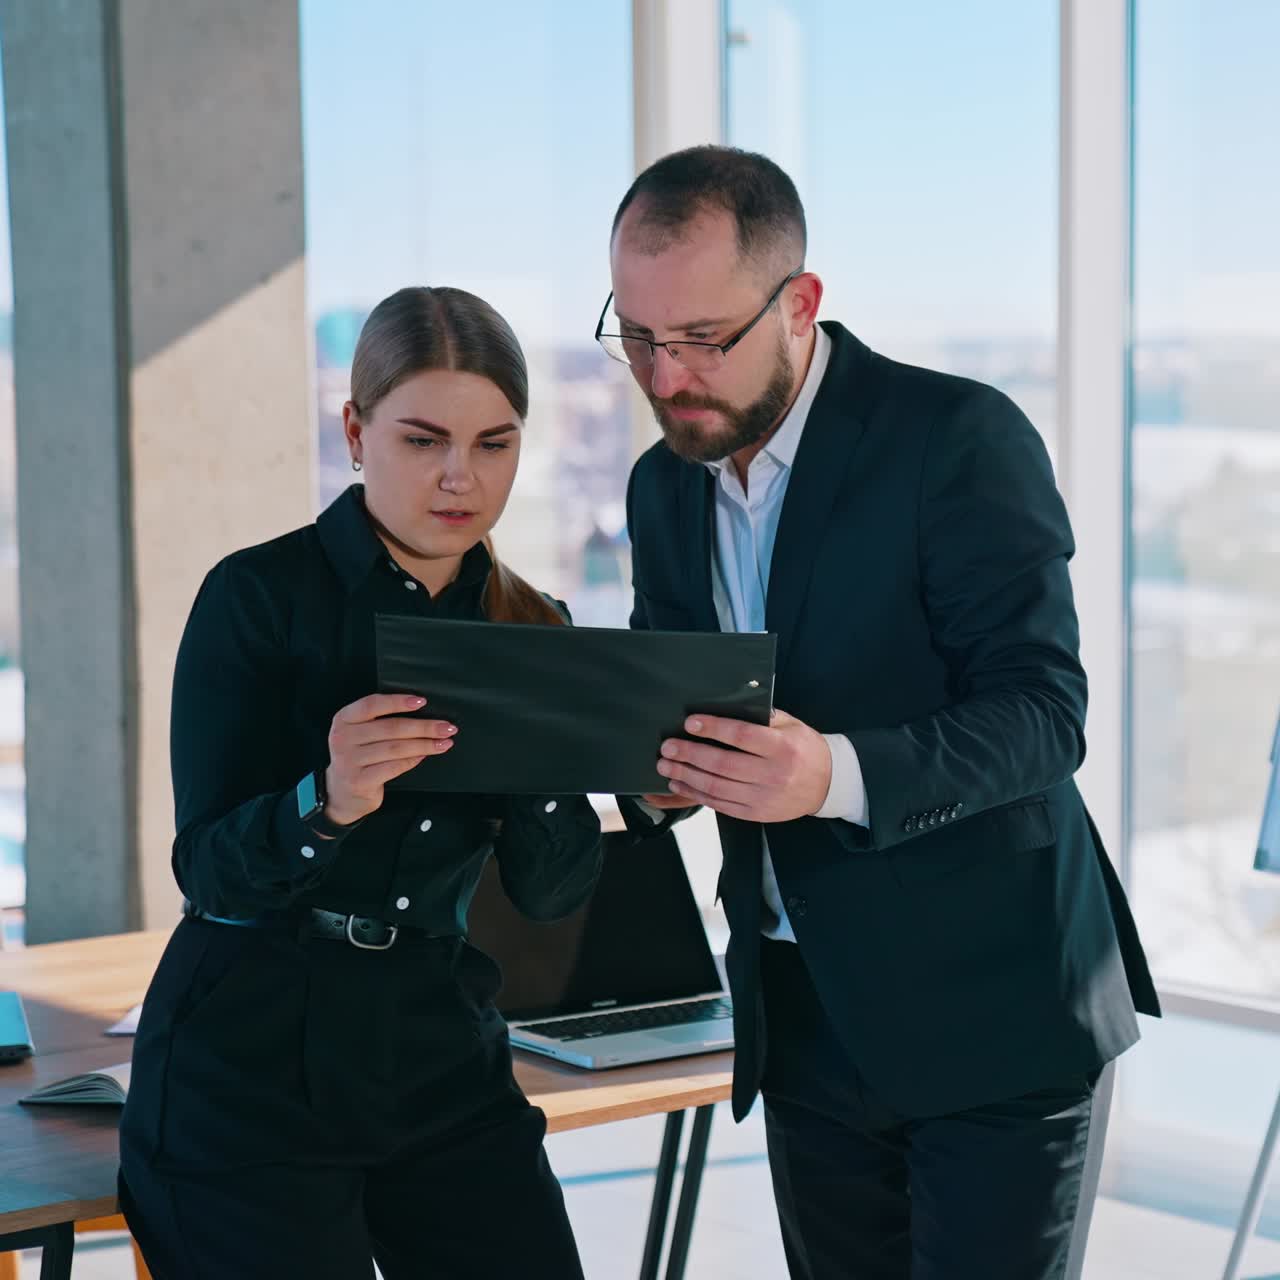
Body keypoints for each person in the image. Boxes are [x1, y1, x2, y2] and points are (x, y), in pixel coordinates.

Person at [605, 146, 1160, 1280]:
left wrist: (833, 775)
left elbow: (1043, 711)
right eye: (640, 339)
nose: (667, 379)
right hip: (803, 1011)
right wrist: (651, 767)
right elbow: (675, 703)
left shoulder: (952, 437)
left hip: (994, 1013)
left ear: (799, 305)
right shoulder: (664, 483)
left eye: (703, 339)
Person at [119, 286, 601, 1279]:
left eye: (494, 443)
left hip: (438, 1052)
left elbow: (552, 892)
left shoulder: (536, 625)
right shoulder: (254, 597)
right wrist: (324, 800)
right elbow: (207, 870)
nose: (460, 476)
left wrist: (557, 767)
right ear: (354, 428)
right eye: (423, 439)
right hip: (248, 1059)